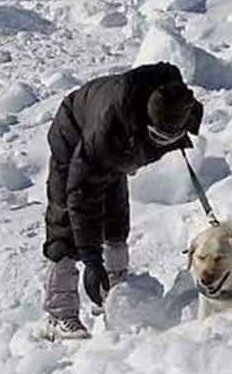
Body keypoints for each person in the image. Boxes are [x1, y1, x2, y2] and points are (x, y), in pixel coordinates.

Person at [42, 62, 204, 339]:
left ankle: (115, 296)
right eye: (157, 136)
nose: (162, 143)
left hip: (119, 137)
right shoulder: (107, 131)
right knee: (66, 219)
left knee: (116, 216)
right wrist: (92, 259)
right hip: (74, 131)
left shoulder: (180, 104)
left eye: (170, 138)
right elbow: (81, 194)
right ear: (145, 123)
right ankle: (60, 314)